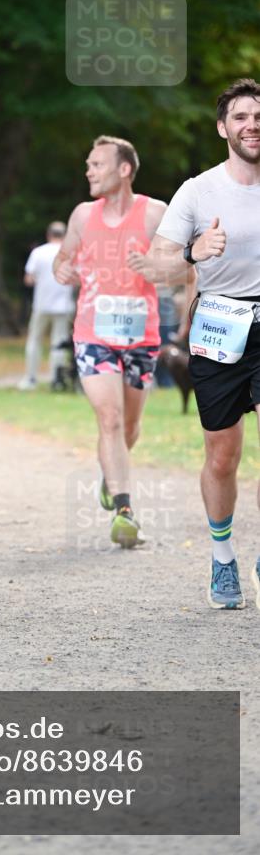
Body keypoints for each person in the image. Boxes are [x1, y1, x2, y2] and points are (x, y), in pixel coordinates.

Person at [131, 78, 260, 609]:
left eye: (259, 116)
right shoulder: (198, 190)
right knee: (223, 454)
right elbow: (156, 265)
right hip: (220, 323)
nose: (252, 125)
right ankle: (223, 556)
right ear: (223, 128)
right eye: (241, 117)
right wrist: (193, 250)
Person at [54, 136, 167, 548]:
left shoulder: (156, 213)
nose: (89, 171)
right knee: (111, 420)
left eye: (97, 164)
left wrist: (158, 267)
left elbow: (183, 268)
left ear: (124, 169)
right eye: (88, 164)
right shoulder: (83, 215)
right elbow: (62, 259)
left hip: (141, 336)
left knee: (130, 426)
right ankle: (124, 509)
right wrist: (63, 269)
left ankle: (110, 472)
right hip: (93, 334)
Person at [17, 222, 74, 391]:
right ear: (65, 236)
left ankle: (31, 378)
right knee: (58, 342)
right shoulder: (69, 253)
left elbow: (29, 279)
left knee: (34, 340)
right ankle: (56, 379)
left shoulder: (38, 252)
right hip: (63, 306)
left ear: (49, 234)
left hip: (42, 304)